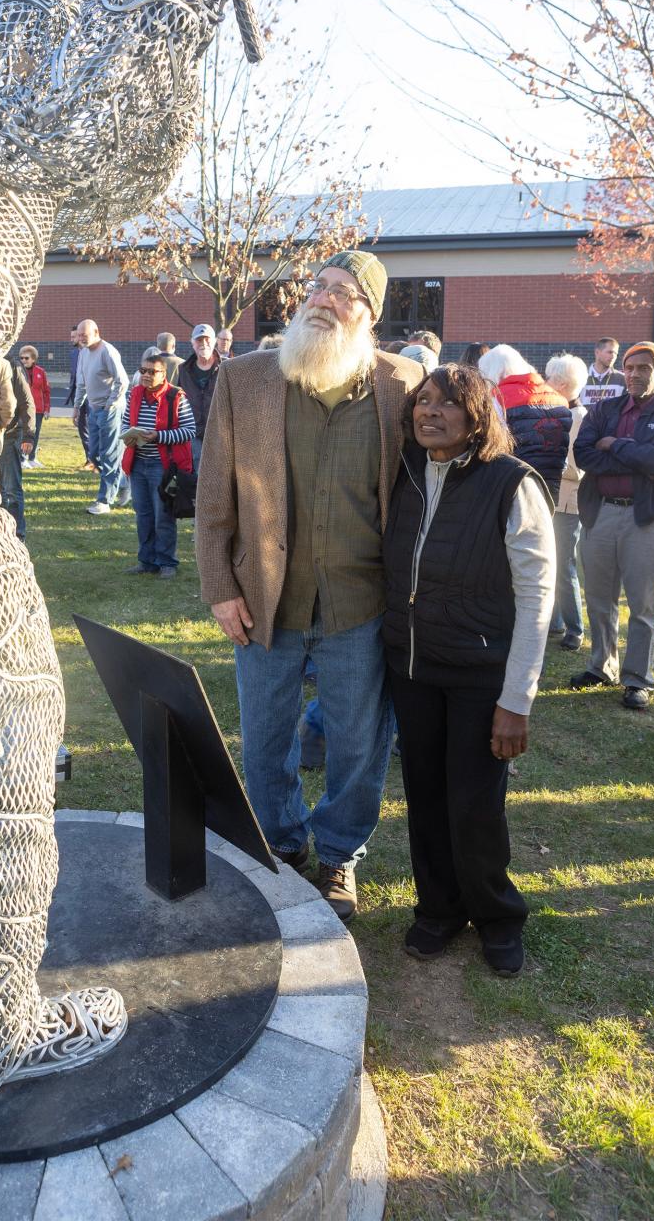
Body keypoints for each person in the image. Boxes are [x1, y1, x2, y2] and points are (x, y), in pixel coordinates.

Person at [196, 251, 423, 921]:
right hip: (267, 600)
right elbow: (214, 499)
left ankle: (340, 856)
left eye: (345, 292)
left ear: (370, 314)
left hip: (362, 603)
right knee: (266, 736)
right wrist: (220, 588)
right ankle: (282, 844)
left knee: (358, 742)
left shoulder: (402, 384)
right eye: (319, 286)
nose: (323, 299)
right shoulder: (246, 380)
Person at [381, 364, 555, 978]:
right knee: (425, 796)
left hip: (481, 672)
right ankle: (439, 909)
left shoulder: (511, 484)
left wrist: (518, 700)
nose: (430, 413)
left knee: (475, 803)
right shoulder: (402, 470)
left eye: (447, 404)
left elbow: (537, 596)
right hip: (413, 665)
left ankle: (498, 916)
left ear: (477, 413)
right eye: (422, 402)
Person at [571, 342, 654, 709]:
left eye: (644, 368)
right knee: (599, 598)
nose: (635, 374)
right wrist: (631, 452)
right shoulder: (604, 409)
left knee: (643, 604)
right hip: (602, 512)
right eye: (630, 367)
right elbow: (584, 454)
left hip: (648, 517)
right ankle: (601, 666)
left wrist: (615, 445)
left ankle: (638, 679)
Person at [121, 350, 196, 578]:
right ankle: (147, 560)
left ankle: (167, 562)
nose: (145, 375)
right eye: (142, 370)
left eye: (151, 372)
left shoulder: (176, 397)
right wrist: (129, 434)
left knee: (163, 515)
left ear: (164, 374)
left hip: (162, 467)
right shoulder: (134, 394)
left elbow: (190, 430)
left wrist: (159, 436)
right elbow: (125, 423)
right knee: (142, 514)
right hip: (138, 464)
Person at [478, 344, 571, 502]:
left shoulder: (497, 398)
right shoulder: (559, 399)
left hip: (511, 483)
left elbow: (492, 446)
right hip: (551, 484)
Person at [544, 354, 589, 651]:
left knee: (564, 565)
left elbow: (576, 467)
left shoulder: (576, 417)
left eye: (548, 378)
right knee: (554, 562)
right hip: (556, 499)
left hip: (567, 501)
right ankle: (557, 621)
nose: (544, 383)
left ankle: (575, 627)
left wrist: (547, 461)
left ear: (561, 384)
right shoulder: (562, 412)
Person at [74, 319, 131, 515]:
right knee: (94, 454)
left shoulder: (108, 351)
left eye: (84, 334)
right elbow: (82, 384)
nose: (81, 338)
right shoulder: (83, 353)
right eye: (79, 335)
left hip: (111, 411)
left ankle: (104, 500)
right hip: (93, 409)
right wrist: (76, 407)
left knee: (109, 455)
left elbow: (123, 381)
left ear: (96, 332)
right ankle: (123, 482)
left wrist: (109, 405)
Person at [0, 354, 34, 541]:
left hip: (7, 433)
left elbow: (25, 402)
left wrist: (28, 435)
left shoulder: (11, 365)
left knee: (11, 487)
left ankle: (18, 533)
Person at [179, 323, 222, 468]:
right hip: (193, 431)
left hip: (219, 431)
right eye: (199, 340)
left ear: (214, 341)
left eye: (207, 339)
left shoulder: (226, 367)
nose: (203, 343)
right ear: (192, 343)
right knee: (197, 470)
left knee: (219, 469)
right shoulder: (183, 370)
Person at [18, 345, 51, 469]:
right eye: (21, 358)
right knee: (24, 433)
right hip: (23, 409)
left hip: (38, 409)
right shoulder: (18, 371)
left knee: (35, 433)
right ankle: (22, 458)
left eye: (26, 358)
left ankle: (32, 458)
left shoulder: (41, 372)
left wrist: (47, 409)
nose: (23, 361)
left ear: (33, 359)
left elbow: (46, 391)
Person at [65, 325, 94, 469]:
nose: (72, 339)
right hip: (78, 395)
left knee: (92, 428)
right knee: (83, 428)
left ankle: (95, 460)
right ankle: (89, 458)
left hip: (92, 397)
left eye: (74, 336)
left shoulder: (91, 353)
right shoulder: (74, 353)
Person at [580, 337, 626, 407]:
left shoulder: (623, 379)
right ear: (597, 352)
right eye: (610, 352)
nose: (613, 356)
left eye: (616, 353)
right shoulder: (580, 378)